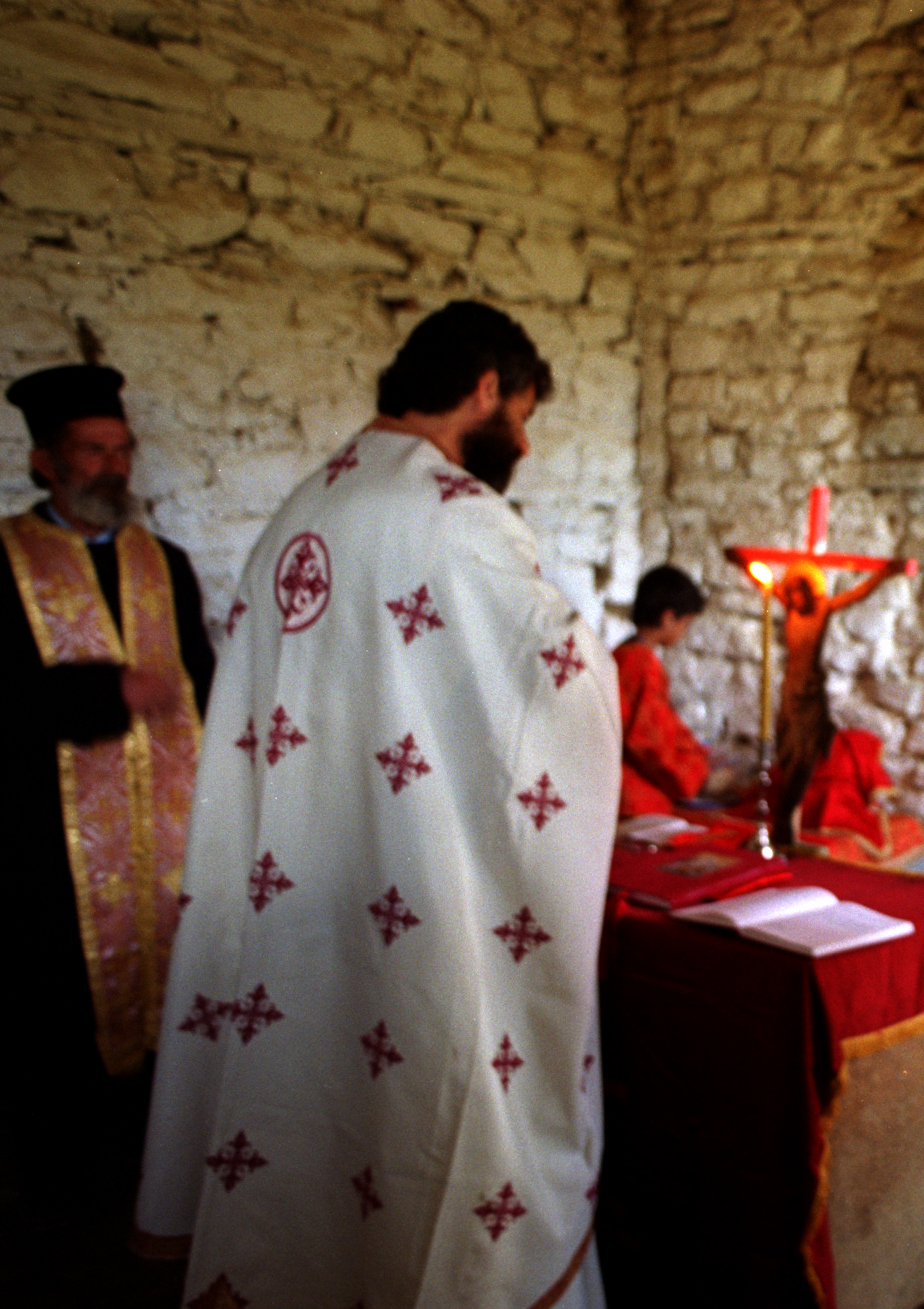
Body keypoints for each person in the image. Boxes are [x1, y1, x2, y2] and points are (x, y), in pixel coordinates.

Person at [134, 301, 622, 1309]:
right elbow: (556, 686)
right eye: (521, 414)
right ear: (484, 387)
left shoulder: (299, 512)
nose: (523, 444)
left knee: (305, 1120)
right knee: (430, 1113)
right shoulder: (456, 515)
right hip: (417, 901)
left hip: (296, 903)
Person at [0, 362, 214, 1181]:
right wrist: (111, 690)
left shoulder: (165, 562)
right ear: (43, 461)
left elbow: (203, 677)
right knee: (55, 1014)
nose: (114, 466)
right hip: (48, 842)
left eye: (122, 449)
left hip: (162, 833)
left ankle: (154, 1157)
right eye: (92, 450)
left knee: (168, 988)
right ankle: (60, 1173)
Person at [772, 557, 910, 853]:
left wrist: (882, 576)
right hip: (789, 694)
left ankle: (788, 825)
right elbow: (765, 584)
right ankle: (786, 823)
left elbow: (856, 595)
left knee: (803, 756)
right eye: (790, 592)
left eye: (799, 592)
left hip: (809, 695)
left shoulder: (821, 610)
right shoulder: (790, 609)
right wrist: (747, 565)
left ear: (810, 592)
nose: (794, 598)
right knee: (785, 752)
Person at [613, 565, 712, 818]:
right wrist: (692, 775)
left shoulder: (623, 654)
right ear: (668, 618)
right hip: (629, 792)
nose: (684, 632)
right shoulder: (641, 663)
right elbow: (647, 740)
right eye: (686, 624)